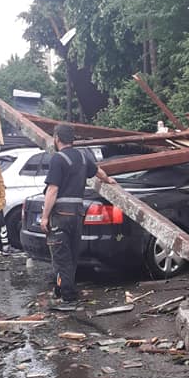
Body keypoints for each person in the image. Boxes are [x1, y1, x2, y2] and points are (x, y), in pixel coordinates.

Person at [40, 124, 113, 306]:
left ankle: (67, 297)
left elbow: (52, 190)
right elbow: (98, 172)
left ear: (57, 138)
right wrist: (108, 180)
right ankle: (62, 289)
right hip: (78, 214)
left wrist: (45, 217)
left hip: (60, 214)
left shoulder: (58, 159)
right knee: (72, 256)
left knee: (60, 256)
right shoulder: (82, 157)